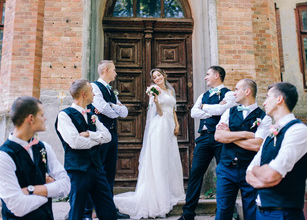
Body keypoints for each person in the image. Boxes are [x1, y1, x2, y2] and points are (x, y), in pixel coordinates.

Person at [113, 68, 185, 219]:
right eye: (154, 77)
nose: (157, 78)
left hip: (170, 126)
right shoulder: (154, 92)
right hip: (159, 127)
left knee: (169, 159)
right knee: (159, 159)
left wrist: (177, 125)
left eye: (159, 75)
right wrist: (157, 101)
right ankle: (159, 196)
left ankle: (171, 191)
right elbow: (158, 113)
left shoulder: (171, 92)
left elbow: (173, 110)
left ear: (164, 75)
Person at [0, 96, 70, 219]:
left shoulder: (44, 148)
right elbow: (18, 207)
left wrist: (31, 190)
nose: (45, 118)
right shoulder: (1, 158)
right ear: (31, 118)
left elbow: (66, 186)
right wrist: (49, 191)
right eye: (42, 115)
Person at [246, 82, 307, 220]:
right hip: (260, 212)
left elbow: (272, 175)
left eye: (267, 97)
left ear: (279, 99)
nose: (264, 102)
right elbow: (248, 172)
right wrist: (259, 171)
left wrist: (258, 171)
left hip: (284, 214)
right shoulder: (269, 135)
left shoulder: (299, 131)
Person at [178, 66, 236, 220]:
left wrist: (205, 107)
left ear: (217, 75)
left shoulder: (229, 94)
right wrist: (214, 108)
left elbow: (223, 110)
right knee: (195, 174)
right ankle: (188, 214)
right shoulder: (203, 95)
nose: (205, 77)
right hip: (203, 138)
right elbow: (193, 112)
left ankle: (227, 212)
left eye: (207, 74)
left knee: (225, 174)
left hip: (220, 138)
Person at [55, 79, 117, 220]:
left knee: (109, 211)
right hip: (78, 171)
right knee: (77, 212)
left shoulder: (92, 115)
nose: (94, 94)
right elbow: (75, 142)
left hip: (96, 168)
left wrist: (90, 134)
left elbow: (108, 137)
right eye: (91, 91)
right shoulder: (64, 115)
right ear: (84, 94)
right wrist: (97, 140)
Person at [214, 79, 272, 220]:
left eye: (236, 89)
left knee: (251, 211)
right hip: (226, 169)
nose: (233, 93)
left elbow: (257, 145)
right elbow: (218, 136)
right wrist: (246, 134)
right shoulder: (229, 112)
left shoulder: (264, 118)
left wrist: (230, 137)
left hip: (250, 170)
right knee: (222, 210)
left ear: (247, 91)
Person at [85, 60, 129, 219]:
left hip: (113, 134)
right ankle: (88, 211)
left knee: (109, 173)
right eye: (114, 70)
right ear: (106, 70)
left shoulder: (111, 90)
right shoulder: (94, 86)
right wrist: (115, 109)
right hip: (100, 135)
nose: (116, 73)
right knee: (97, 172)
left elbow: (125, 112)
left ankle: (109, 210)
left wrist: (114, 107)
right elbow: (102, 108)